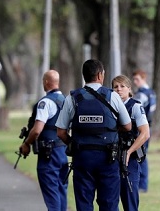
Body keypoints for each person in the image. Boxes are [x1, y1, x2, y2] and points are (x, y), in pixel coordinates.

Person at [55, 59, 132, 211]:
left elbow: (61, 132)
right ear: (99, 75)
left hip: (83, 158)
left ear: (84, 76)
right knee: (109, 204)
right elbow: (128, 126)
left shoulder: (73, 98)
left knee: (84, 204)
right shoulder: (113, 96)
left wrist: (74, 144)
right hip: (108, 158)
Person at [19, 70, 68, 211]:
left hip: (49, 155)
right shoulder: (66, 101)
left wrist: (26, 143)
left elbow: (36, 130)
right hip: (63, 152)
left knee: (52, 195)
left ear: (46, 82)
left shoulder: (45, 103)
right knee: (61, 191)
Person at [111, 75, 150, 211]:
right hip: (111, 157)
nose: (119, 90)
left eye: (122, 86)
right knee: (109, 201)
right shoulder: (109, 107)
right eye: (115, 87)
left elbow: (145, 133)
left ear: (129, 89)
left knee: (130, 201)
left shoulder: (135, 106)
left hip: (129, 160)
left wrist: (129, 152)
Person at [132, 69, 156, 192]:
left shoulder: (142, 94)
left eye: (137, 79)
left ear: (143, 78)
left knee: (140, 155)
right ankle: (142, 184)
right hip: (147, 127)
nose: (135, 82)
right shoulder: (151, 93)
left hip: (141, 128)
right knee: (142, 155)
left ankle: (142, 184)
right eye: (134, 79)